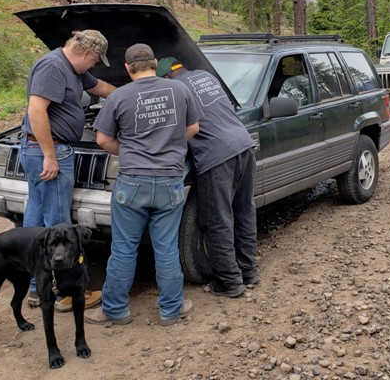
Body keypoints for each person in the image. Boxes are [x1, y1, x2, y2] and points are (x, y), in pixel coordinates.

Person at [86, 44, 200, 326]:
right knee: (166, 248)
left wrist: (129, 152)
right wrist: (170, 145)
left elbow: (101, 139)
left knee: (124, 248)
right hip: (170, 181)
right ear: (156, 63)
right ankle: (171, 310)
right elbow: (193, 128)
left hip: (132, 183)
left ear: (127, 68)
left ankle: (114, 310)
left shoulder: (119, 96)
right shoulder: (180, 90)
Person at [20, 29, 115, 310]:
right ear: (85, 53)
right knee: (58, 228)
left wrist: (130, 94)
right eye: (95, 60)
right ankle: (65, 292)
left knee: (36, 221)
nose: (95, 66)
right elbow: (36, 110)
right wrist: (50, 155)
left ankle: (37, 287)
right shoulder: (53, 67)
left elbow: (99, 87)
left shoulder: (73, 70)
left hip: (46, 150)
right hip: (49, 152)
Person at [158, 57, 259, 298]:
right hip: (243, 145)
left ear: (166, 77)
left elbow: (170, 127)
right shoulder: (206, 76)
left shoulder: (176, 89)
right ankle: (248, 271)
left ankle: (228, 282)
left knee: (217, 218)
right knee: (244, 210)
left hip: (217, 156)